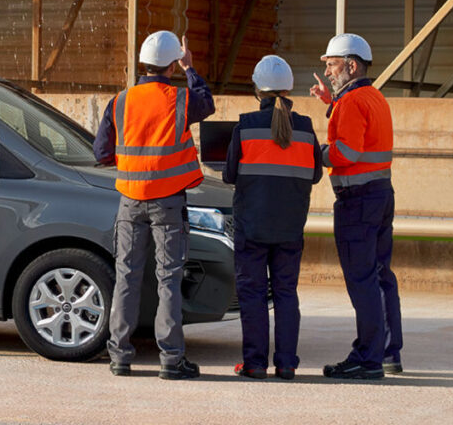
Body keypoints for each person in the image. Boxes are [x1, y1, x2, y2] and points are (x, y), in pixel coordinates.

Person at [94, 31, 215, 380]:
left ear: (143, 63)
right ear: (171, 65)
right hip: (168, 204)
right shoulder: (179, 98)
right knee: (168, 280)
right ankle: (171, 359)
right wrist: (191, 68)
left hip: (130, 201)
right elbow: (206, 103)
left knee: (126, 277)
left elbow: (101, 153)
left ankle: (119, 356)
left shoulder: (120, 101)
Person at [223, 55, 323, 380]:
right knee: (285, 293)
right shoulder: (306, 129)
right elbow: (316, 175)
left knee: (252, 294)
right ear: (289, 89)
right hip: (290, 227)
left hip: (251, 226)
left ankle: (254, 364)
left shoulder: (246, 125)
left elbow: (228, 175)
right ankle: (287, 364)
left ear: (257, 89)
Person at [309, 33, 402, 379]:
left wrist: (314, 153)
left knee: (361, 279)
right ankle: (389, 352)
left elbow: (346, 152)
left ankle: (367, 357)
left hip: (357, 203)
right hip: (380, 196)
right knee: (380, 276)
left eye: (332, 65)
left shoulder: (350, 103)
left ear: (351, 65)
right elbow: (361, 131)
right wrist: (330, 102)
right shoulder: (374, 98)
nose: (329, 73)